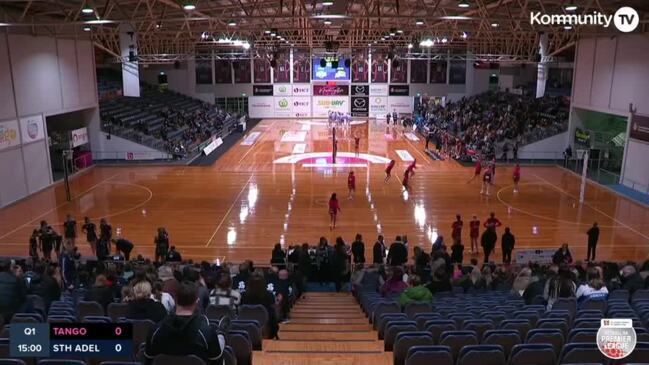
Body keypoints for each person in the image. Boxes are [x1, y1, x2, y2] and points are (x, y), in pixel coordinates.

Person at [144, 281, 225, 364]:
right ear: (197, 301)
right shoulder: (207, 332)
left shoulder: (154, 331)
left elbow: (148, 362)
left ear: (175, 299)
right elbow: (217, 362)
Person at [241, 273, 279, 339]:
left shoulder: (244, 296)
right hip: (265, 331)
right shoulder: (269, 296)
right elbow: (272, 316)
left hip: (246, 329)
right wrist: (275, 330)